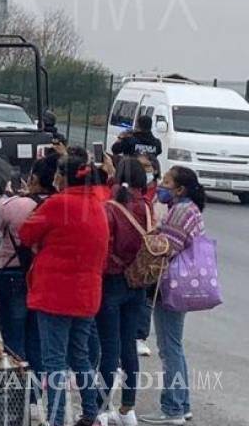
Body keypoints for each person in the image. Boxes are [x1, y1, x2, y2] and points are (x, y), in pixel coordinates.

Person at [19, 151, 111, 426]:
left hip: (55, 294)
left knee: (54, 361)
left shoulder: (56, 204)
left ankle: (57, 418)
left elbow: (26, 234)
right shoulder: (97, 205)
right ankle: (91, 411)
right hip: (87, 294)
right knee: (80, 355)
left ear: (62, 177)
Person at [0, 155, 58, 422]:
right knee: (37, 342)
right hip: (44, 280)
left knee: (14, 343)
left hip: (11, 275)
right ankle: (34, 402)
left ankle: (15, 403)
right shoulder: (59, 205)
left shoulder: (15, 205)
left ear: (34, 178)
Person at [139, 166, 206, 426]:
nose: (161, 186)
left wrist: (152, 235)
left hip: (172, 286)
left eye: (166, 182)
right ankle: (182, 404)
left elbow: (166, 249)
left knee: (169, 348)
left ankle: (172, 408)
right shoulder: (188, 208)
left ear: (180, 189)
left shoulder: (180, 211)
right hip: (182, 285)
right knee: (174, 346)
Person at [92, 158, 154, 426]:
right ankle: (128, 409)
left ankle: (102, 408)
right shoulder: (148, 208)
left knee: (108, 349)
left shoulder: (110, 208)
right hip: (138, 282)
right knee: (128, 347)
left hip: (112, 282)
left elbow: (105, 248)